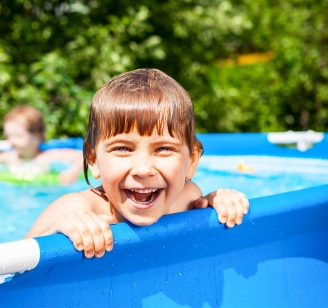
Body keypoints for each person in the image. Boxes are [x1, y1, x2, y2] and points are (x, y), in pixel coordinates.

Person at [25, 68, 249, 259]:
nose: (143, 169)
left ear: (192, 161)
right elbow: (8, 271)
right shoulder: (75, 208)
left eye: (163, 149)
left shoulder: (188, 198)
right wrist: (54, 236)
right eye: (123, 149)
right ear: (93, 160)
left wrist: (217, 201)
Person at [0, 105, 83, 184]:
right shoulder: (8, 157)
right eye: (8, 135)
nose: (11, 141)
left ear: (37, 137)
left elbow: (82, 156)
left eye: (18, 136)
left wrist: (74, 172)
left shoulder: (47, 156)